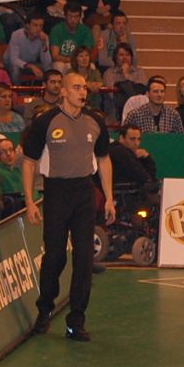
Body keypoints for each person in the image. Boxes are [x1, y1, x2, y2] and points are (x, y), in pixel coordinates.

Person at [22, 72, 115, 343]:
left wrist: (109, 197)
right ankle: (45, 309)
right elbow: (29, 162)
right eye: (76, 87)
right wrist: (29, 200)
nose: (82, 92)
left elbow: (104, 159)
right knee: (55, 256)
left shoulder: (95, 121)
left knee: (84, 258)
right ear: (63, 91)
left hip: (84, 192)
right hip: (56, 192)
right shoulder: (46, 121)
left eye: (84, 87)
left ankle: (76, 320)